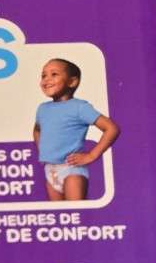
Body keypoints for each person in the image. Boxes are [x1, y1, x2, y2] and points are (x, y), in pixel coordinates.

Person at [33, 58, 119, 201]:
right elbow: (37, 130)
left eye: (54, 74)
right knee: (59, 213)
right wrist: (43, 151)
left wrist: (91, 155)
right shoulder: (43, 108)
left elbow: (111, 128)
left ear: (72, 82)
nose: (47, 79)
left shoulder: (80, 107)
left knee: (76, 210)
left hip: (71, 170)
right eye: (43, 75)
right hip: (50, 170)